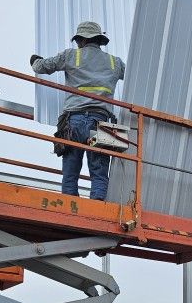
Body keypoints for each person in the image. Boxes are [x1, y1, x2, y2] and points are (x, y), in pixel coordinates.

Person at [31, 21, 125, 200]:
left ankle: (70, 205)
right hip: (102, 123)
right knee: (99, 172)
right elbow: (136, 75)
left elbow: (41, 67)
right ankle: (97, 207)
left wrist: (34, 60)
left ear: (81, 40)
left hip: (73, 122)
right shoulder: (115, 62)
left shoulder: (71, 56)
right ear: (99, 40)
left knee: (70, 171)